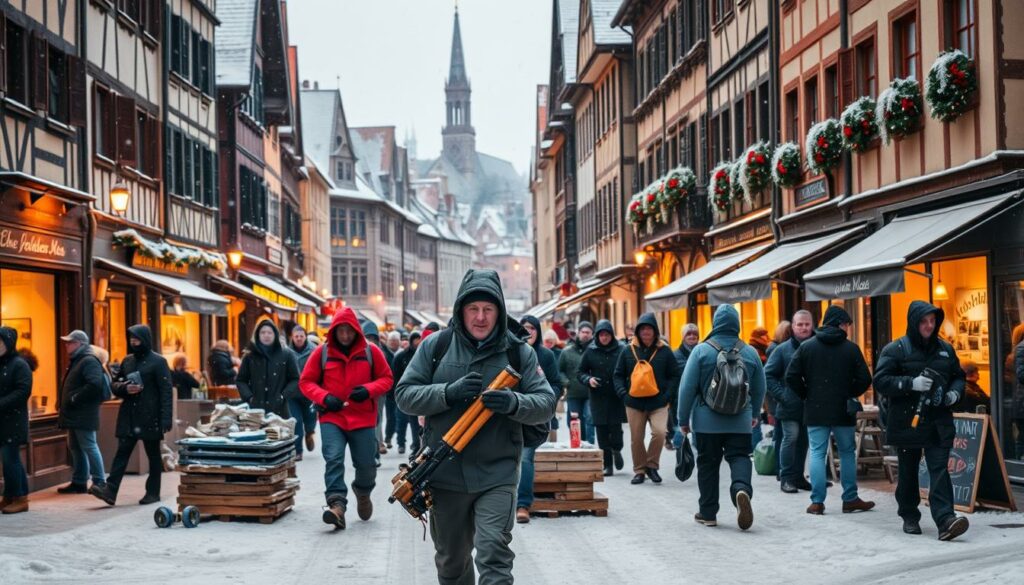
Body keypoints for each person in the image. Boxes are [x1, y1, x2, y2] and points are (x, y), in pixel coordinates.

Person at [395, 269, 556, 585]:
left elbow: (546, 402)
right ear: (461, 310)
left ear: (499, 311)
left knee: (493, 554)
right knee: (451, 563)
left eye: (488, 309)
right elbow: (404, 395)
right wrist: (447, 392)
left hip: (498, 473)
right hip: (443, 476)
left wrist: (514, 403)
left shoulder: (518, 352)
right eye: (473, 309)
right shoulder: (436, 347)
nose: (480, 317)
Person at [873, 301, 970, 541]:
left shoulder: (945, 349)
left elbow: (958, 377)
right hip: (908, 421)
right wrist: (910, 384)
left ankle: (946, 519)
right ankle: (909, 515)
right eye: (924, 321)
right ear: (914, 322)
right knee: (908, 471)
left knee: (939, 470)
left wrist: (954, 394)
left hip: (938, 421)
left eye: (932, 321)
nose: (928, 326)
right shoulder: (896, 349)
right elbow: (880, 381)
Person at [299, 307, 393, 529]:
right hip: (333, 417)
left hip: (362, 419)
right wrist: (324, 397)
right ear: (333, 331)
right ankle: (337, 505)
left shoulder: (371, 352)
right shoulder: (322, 353)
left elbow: (387, 378)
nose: (344, 336)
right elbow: (306, 382)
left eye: (348, 331)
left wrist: (368, 390)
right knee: (333, 458)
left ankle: (363, 491)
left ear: (356, 331)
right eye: (340, 331)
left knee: (367, 465)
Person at [678, 305, 766, 531]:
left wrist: (682, 419)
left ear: (715, 323)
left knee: (708, 464)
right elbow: (760, 388)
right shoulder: (750, 352)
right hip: (740, 420)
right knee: (740, 457)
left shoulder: (701, 351)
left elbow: (687, 388)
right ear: (736, 324)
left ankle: (708, 513)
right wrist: (754, 413)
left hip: (706, 421)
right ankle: (741, 490)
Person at [785, 306, 875, 515]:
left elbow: (791, 376)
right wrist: (849, 391)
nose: (848, 328)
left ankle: (817, 501)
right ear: (839, 324)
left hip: (815, 407)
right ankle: (850, 498)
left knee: (817, 452)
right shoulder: (851, 348)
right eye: (846, 324)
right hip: (843, 408)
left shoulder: (807, 347)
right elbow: (865, 379)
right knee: (846, 452)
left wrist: (806, 393)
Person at [91, 325, 172, 506]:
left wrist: (166, 418)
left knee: (153, 455)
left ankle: (153, 492)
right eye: (131, 339)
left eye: (137, 338)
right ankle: (110, 491)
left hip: (150, 416)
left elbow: (166, 391)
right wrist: (125, 388)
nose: (133, 342)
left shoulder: (158, 362)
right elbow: (115, 385)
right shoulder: (127, 361)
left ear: (145, 339)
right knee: (122, 453)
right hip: (129, 415)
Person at [613, 313, 682, 485]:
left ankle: (652, 465)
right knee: (636, 438)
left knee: (660, 433)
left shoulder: (665, 350)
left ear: (655, 331)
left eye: (649, 328)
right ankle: (640, 471)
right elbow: (618, 375)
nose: (645, 332)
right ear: (637, 331)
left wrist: (667, 396)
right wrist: (623, 394)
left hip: (659, 402)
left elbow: (675, 375)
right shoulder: (627, 350)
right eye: (642, 328)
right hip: (634, 402)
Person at [516, 314, 561, 523]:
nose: (528, 332)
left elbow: (556, 384)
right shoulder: (512, 354)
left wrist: (542, 397)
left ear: (538, 331)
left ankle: (523, 505)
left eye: (532, 328)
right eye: (524, 328)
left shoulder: (546, 355)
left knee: (526, 458)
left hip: (536, 420)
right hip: (513, 416)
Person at [764, 311, 814, 494]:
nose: (804, 328)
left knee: (804, 441)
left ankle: (799, 477)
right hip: (789, 405)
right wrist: (783, 396)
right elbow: (767, 375)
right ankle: (786, 478)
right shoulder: (782, 349)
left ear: (812, 325)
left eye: (807, 324)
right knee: (791, 438)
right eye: (800, 324)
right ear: (792, 327)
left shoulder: (817, 346)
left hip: (811, 405)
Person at [54, 331, 108, 495]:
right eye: (66, 342)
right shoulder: (77, 360)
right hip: (74, 413)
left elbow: (95, 385)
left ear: (80, 344)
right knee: (75, 447)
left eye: (70, 342)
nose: (66, 345)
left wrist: (74, 398)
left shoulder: (88, 361)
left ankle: (99, 481)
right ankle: (79, 482)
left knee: (89, 445)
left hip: (83, 413)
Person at [578, 320, 627, 476]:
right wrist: (588, 380)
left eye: (607, 335)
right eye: (601, 335)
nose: (604, 338)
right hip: (598, 397)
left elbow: (629, 369)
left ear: (611, 335)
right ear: (597, 336)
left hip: (616, 396)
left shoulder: (621, 349)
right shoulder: (590, 351)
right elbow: (580, 372)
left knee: (616, 431)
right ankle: (607, 465)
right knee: (601, 432)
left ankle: (617, 450)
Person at [236, 320, 300, 417]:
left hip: (280, 411)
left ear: (275, 335)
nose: (266, 335)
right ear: (258, 335)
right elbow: (241, 380)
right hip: (255, 412)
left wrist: (283, 396)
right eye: (263, 332)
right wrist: (249, 397)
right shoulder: (250, 356)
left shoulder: (287, 355)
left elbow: (295, 379)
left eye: (270, 332)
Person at [0, 326, 32, 514]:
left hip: (14, 420)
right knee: (11, 460)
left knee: (10, 459)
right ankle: (13, 496)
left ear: (9, 343)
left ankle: (19, 497)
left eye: (1, 342)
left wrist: (1, 403)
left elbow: (22, 392)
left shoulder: (19, 364)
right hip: (3, 421)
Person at [559, 321, 595, 445]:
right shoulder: (567, 351)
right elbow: (560, 370)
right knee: (574, 420)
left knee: (589, 418)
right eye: (583, 332)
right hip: (573, 392)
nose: (585, 335)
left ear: (592, 334)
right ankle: (577, 444)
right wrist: (566, 382)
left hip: (591, 392)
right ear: (578, 333)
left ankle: (589, 446)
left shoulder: (595, 350)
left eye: (588, 332)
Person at [766, 320, 792, 477]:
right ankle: (779, 468)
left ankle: (780, 468)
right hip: (778, 399)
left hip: (779, 398)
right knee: (780, 435)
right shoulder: (776, 349)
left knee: (781, 435)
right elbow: (769, 376)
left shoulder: (777, 347)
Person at [390, 331, 423, 455]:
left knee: (417, 423)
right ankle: (401, 443)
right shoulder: (401, 357)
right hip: (404, 393)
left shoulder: (424, 355)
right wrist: (396, 393)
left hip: (420, 393)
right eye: (415, 340)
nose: (417, 343)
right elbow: (395, 376)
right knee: (402, 421)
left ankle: (416, 445)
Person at [289, 326, 319, 458]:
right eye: (296, 336)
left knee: (310, 420)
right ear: (292, 337)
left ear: (305, 336)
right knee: (296, 421)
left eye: (301, 336)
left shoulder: (314, 350)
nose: (299, 338)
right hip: (293, 393)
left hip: (309, 392)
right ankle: (298, 451)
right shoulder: (286, 351)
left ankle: (309, 433)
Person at [670, 324, 700, 449]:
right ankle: (679, 447)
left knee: (698, 427)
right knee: (681, 426)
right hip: (681, 396)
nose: (692, 336)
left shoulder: (703, 351)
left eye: (694, 334)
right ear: (683, 337)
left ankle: (696, 449)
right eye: (689, 334)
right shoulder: (675, 355)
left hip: (700, 397)